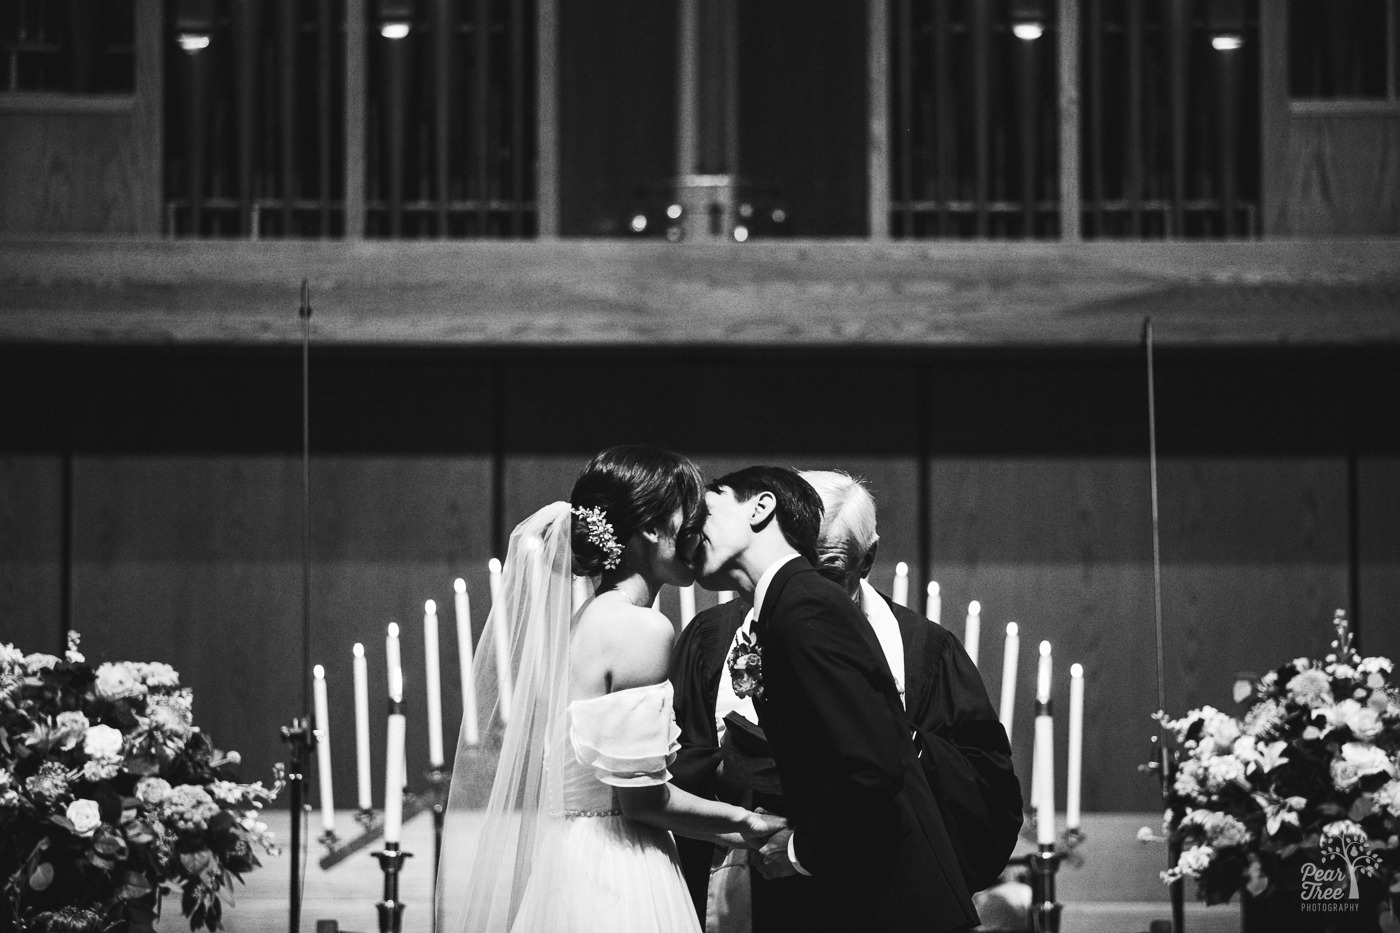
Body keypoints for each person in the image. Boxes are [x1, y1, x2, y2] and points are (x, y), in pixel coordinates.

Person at [437, 446, 786, 933]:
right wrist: (744, 823)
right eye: (692, 513)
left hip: (569, 861)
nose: (700, 531)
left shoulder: (588, 619)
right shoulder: (640, 629)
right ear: (651, 526)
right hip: (618, 867)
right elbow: (642, 801)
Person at [671, 470, 1020, 930]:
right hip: (751, 879)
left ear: (867, 558)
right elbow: (670, 764)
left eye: (828, 572)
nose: (809, 584)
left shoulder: (924, 652)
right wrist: (723, 768)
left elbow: (985, 792)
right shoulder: (712, 640)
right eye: (799, 566)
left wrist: (898, 738)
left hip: (872, 894)